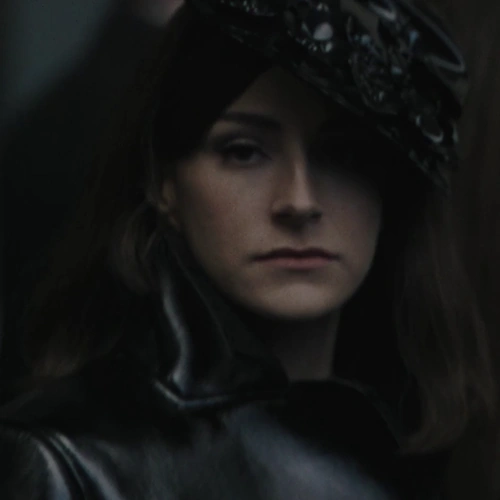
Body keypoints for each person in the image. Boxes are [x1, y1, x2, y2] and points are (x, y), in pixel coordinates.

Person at [0, 0, 496, 498]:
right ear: (162, 183)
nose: (299, 201)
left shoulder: (423, 448)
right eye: (244, 152)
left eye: (346, 154)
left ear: (391, 185)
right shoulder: (65, 462)